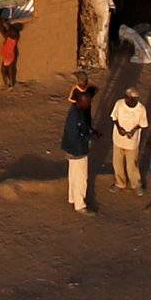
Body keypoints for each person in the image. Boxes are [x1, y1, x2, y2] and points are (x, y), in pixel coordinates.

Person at [61, 84, 96, 212]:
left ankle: (72, 198)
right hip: (78, 150)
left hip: (71, 149)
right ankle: (80, 205)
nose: (89, 104)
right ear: (82, 101)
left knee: (73, 175)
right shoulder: (77, 115)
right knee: (81, 178)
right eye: (88, 102)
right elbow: (77, 134)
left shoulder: (75, 111)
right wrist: (88, 137)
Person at [110, 84, 149, 192]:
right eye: (127, 97)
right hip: (118, 139)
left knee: (132, 165)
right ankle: (120, 183)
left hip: (132, 142)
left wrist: (133, 131)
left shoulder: (141, 109)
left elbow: (143, 124)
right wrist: (119, 128)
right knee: (117, 163)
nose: (128, 100)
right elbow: (114, 117)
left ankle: (136, 184)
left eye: (132, 99)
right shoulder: (119, 104)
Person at [0, 19, 20, 90]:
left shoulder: (12, 34)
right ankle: (9, 83)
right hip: (9, 54)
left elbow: (2, 31)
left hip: (9, 54)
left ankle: (9, 84)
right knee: (7, 69)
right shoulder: (13, 33)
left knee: (5, 70)